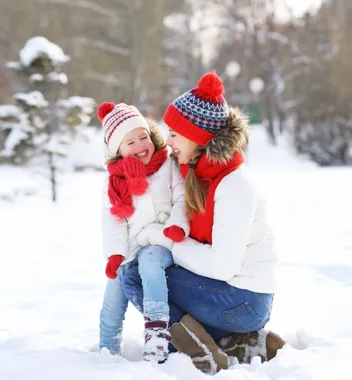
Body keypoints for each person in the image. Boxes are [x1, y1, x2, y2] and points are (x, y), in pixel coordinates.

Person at [120, 72, 286, 374]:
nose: (169, 141)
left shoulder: (234, 185)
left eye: (175, 133)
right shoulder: (201, 172)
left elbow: (222, 266)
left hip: (244, 299)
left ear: (197, 136)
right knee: (149, 269)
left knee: (135, 276)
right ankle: (235, 342)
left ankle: (204, 353)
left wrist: (164, 239)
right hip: (236, 296)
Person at [97, 102, 188, 364]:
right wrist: (116, 254)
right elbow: (113, 220)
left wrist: (178, 225)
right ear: (117, 149)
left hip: (163, 240)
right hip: (130, 245)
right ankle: (107, 348)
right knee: (114, 287)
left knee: (150, 263)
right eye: (130, 142)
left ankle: (157, 336)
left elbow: (182, 198)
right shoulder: (113, 181)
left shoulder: (167, 165)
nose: (140, 146)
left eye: (143, 137)